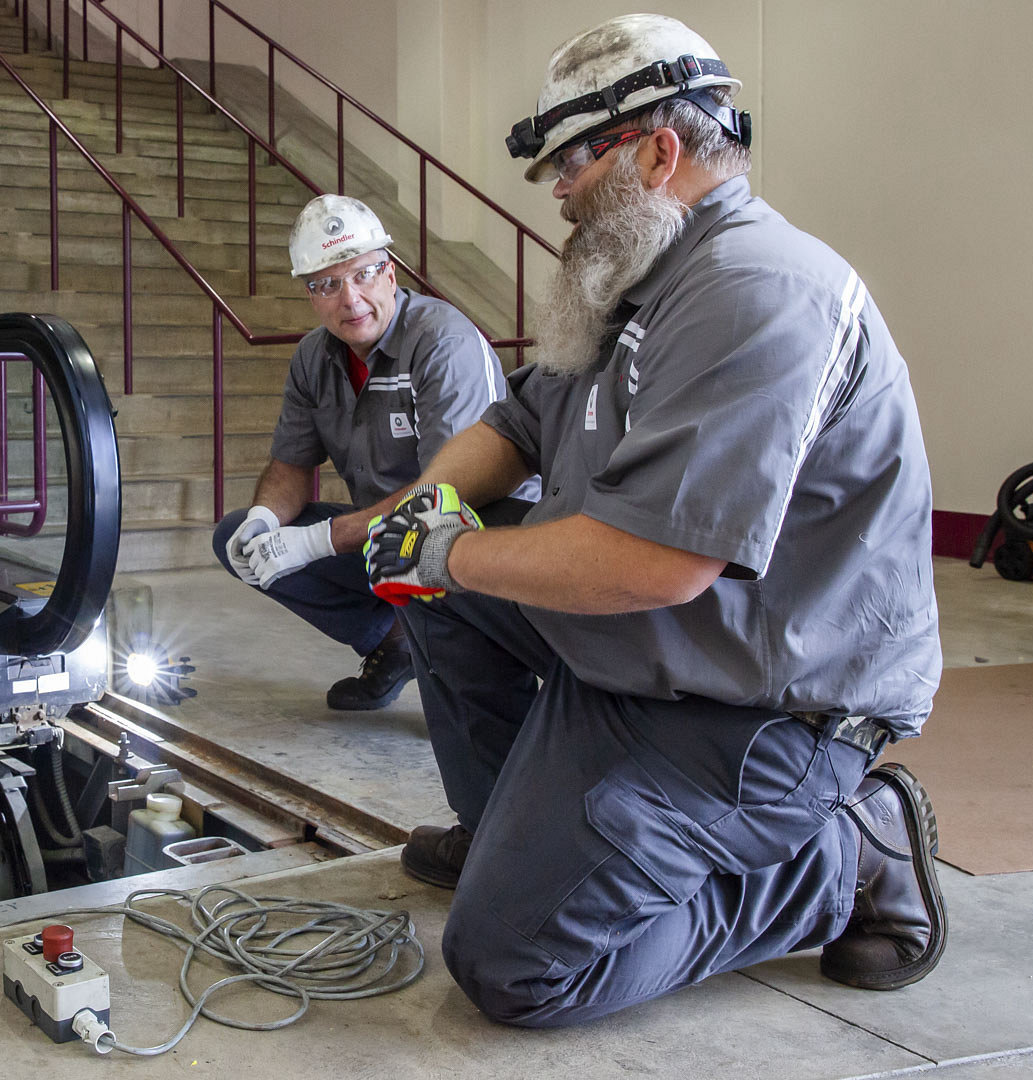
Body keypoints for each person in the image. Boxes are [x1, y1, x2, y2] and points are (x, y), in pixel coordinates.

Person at [358, 14, 946, 1026]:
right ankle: (514, 832)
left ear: (657, 150)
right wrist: (424, 514)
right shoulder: (631, 283)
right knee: (428, 585)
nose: (559, 194)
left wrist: (458, 553)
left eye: (573, 167)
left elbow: (659, 564)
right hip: (648, 656)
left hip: (757, 708)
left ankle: (847, 854)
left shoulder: (757, 292)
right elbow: (514, 423)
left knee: (516, 969)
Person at [214, 194, 536, 711]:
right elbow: (291, 464)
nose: (350, 299)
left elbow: (447, 494)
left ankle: (480, 676)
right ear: (310, 295)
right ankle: (397, 641)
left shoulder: (442, 342)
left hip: (478, 532)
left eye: (363, 274)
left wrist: (321, 540)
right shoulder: (313, 358)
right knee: (236, 538)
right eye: (327, 285)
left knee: (425, 548)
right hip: (388, 534)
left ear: (390, 273)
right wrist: (263, 520)